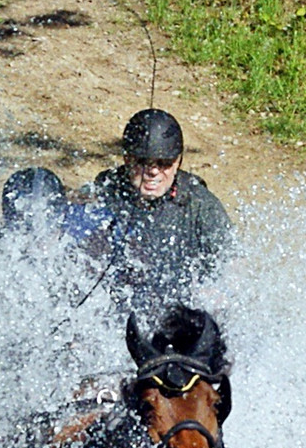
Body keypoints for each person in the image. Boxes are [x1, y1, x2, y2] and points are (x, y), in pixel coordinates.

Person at [82, 108, 234, 315]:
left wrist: (216, 294)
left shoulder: (200, 205)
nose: (153, 171)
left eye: (164, 164)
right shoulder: (105, 192)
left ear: (178, 162)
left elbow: (233, 265)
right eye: (143, 162)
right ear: (127, 159)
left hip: (179, 313)